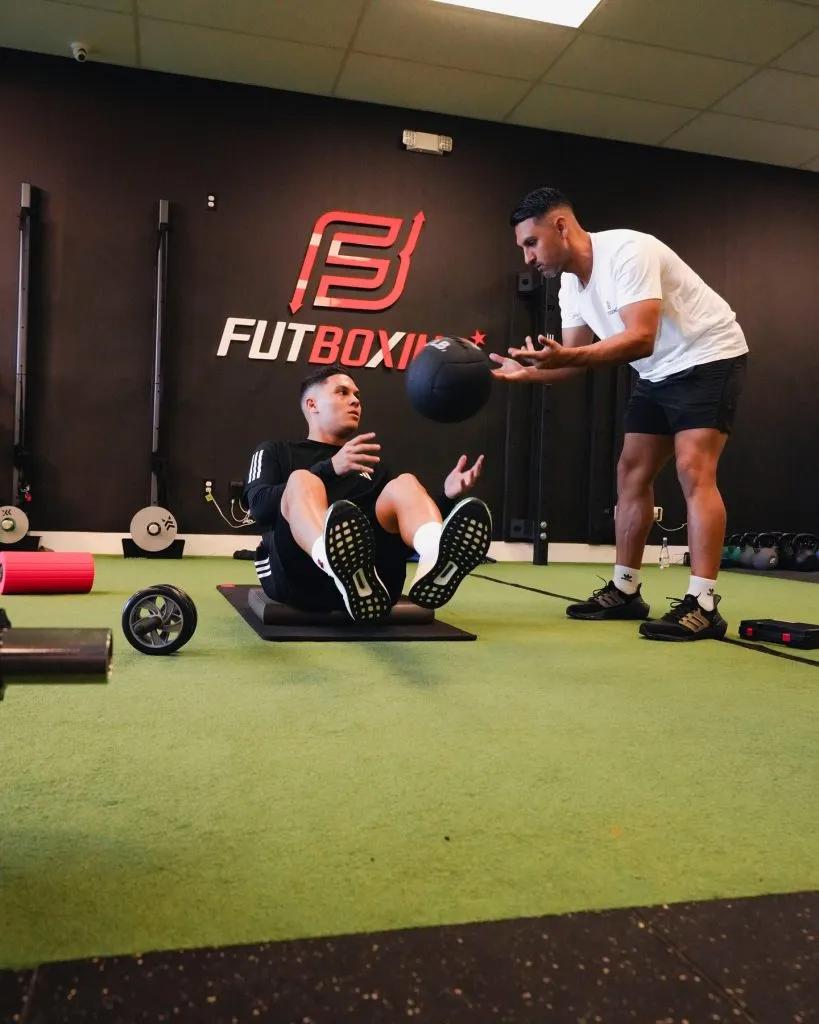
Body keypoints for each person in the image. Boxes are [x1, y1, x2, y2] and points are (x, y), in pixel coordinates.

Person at [492, 186, 749, 642]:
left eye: (531, 243)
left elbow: (639, 337)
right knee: (631, 472)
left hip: (708, 354)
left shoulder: (628, 251)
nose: (528, 257)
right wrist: (528, 373)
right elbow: (571, 360)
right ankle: (626, 589)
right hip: (656, 370)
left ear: (561, 226)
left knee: (694, 468)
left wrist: (564, 359)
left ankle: (704, 603)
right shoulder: (570, 284)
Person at [243, 364, 492, 623]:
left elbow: (397, 538)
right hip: (303, 580)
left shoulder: (371, 464)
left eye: (357, 395)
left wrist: (447, 496)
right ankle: (332, 560)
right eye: (342, 392)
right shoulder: (276, 451)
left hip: (374, 587)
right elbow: (259, 508)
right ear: (312, 404)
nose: (354, 401)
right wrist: (328, 469)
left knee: (404, 484)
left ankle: (434, 554)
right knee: (303, 480)